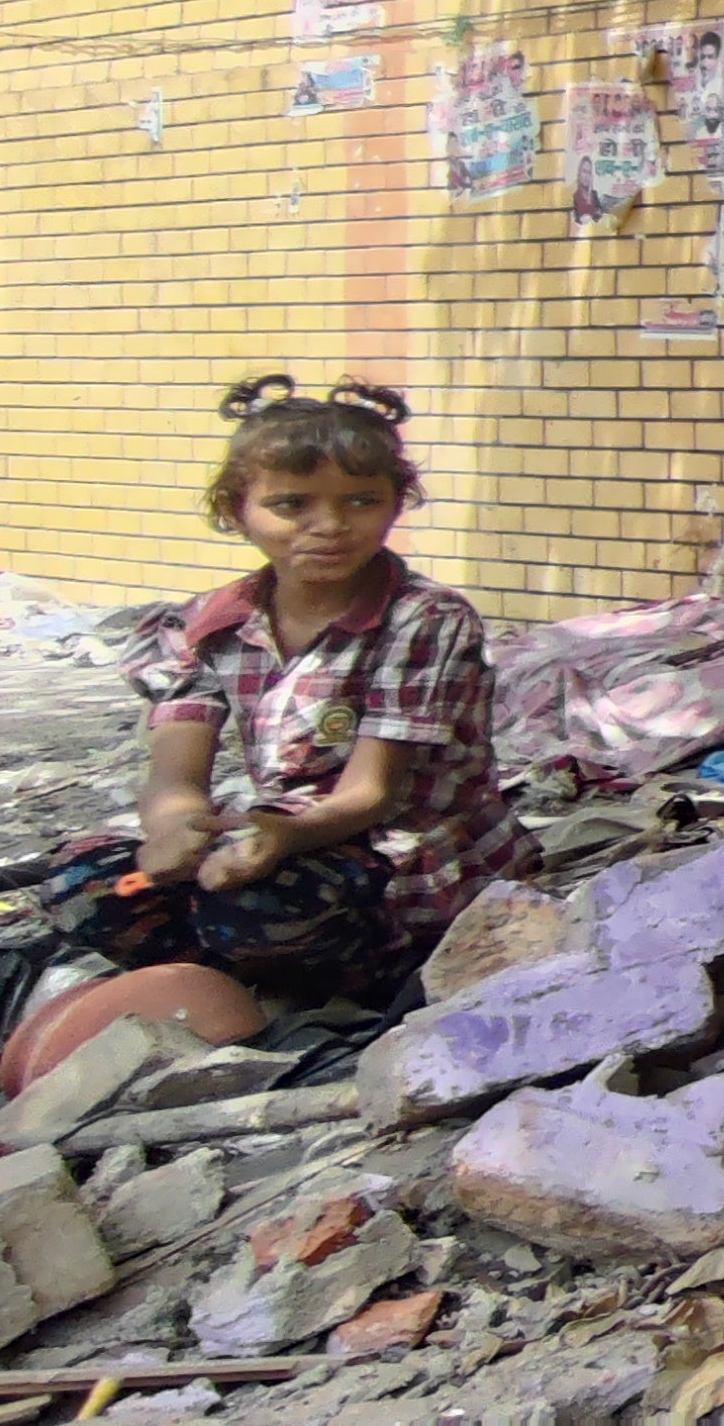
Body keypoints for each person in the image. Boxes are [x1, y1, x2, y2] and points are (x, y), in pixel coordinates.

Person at [41, 377, 533, 1006]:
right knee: (83, 888)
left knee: (253, 910)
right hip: (277, 835)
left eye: (361, 501)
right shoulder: (205, 625)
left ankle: (369, 977)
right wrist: (171, 831)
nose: (330, 526)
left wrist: (279, 838)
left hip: (405, 856)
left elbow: (370, 794)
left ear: (396, 503)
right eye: (293, 505)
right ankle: (234, 976)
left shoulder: (424, 620)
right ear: (235, 512)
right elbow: (175, 772)